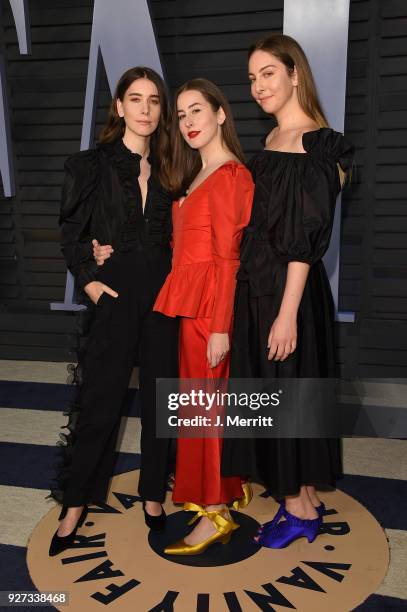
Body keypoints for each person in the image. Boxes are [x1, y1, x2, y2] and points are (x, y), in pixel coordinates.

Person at [221, 34, 354, 549]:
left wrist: (287, 313)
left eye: (268, 74)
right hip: (260, 290)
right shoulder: (270, 143)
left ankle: (299, 510)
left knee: (287, 395)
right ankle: (303, 492)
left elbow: (304, 241)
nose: (257, 86)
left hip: (288, 293)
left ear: (295, 73)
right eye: (252, 78)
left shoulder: (318, 143)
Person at [49, 67, 179, 557]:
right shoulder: (93, 164)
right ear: (119, 107)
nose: (145, 109)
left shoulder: (170, 167)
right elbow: (70, 231)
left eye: (154, 101)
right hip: (117, 296)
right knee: (100, 403)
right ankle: (75, 505)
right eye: (136, 99)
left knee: (160, 403)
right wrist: (91, 279)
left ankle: (152, 497)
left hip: (166, 298)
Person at [152, 78, 254, 555]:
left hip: (209, 310)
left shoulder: (231, 175)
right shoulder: (198, 174)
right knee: (199, 406)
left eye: (197, 110)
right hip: (190, 307)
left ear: (220, 114)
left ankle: (216, 513)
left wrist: (219, 326)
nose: (188, 122)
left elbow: (230, 259)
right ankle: (224, 488)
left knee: (206, 408)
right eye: (181, 114)